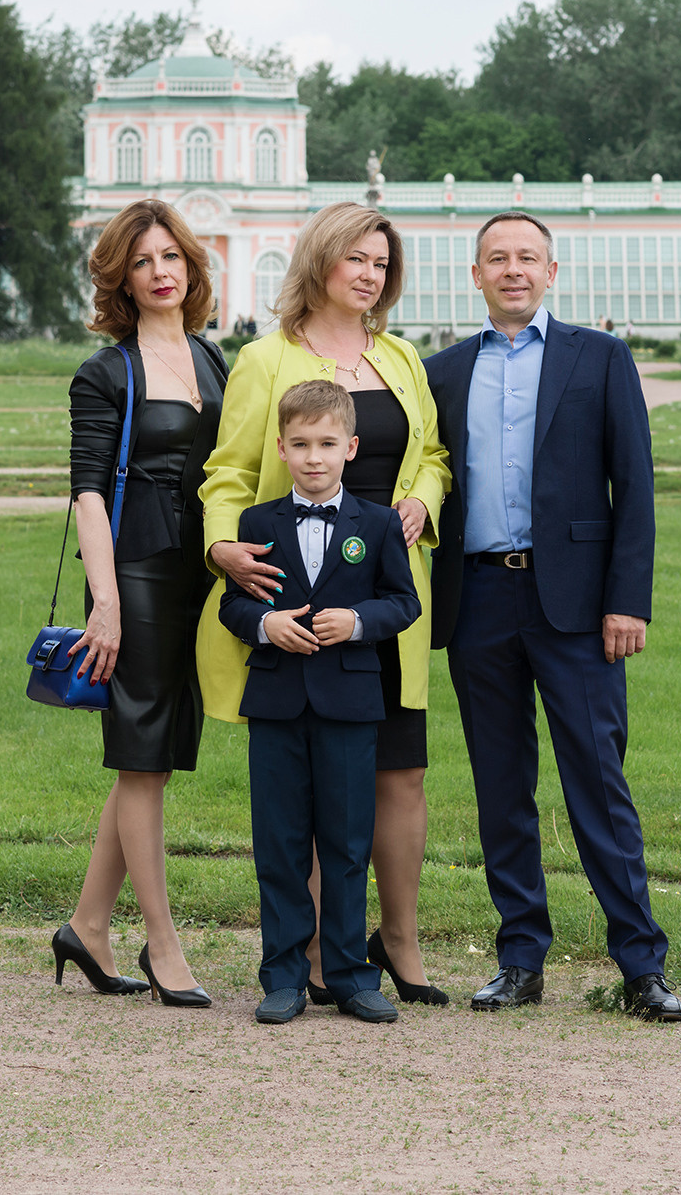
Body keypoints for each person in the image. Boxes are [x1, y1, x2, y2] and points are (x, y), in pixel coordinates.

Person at [423, 210, 681, 1022]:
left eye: (526, 257)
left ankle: (641, 964)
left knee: (598, 784)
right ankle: (520, 959)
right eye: (496, 258)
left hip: (576, 605)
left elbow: (633, 487)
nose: (512, 269)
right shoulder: (445, 372)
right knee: (502, 788)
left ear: (551, 270)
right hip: (479, 600)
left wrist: (626, 600)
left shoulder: (599, 358)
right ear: (475, 275)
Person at [198, 201, 454, 1005]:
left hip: (384, 594)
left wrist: (422, 498)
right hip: (298, 595)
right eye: (356, 257)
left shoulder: (403, 357)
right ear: (319, 261)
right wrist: (221, 546)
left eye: (382, 261)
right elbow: (228, 474)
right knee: (306, 785)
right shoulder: (265, 358)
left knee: (400, 773)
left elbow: (435, 453)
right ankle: (306, 956)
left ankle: (400, 944)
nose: (371, 272)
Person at [52, 199, 228, 1009]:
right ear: (121, 277)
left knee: (145, 756)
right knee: (143, 758)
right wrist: (107, 603)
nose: (162, 271)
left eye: (173, 257)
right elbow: (88, 493)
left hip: (202, 572)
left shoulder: (212, 357)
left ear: (190, 266)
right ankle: (162, 944)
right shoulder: (106, 371)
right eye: (144, 260)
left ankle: (88, 925)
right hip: (140, 573)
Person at [219, 381, 422, 1024]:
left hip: (350, 705)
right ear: (280, 449)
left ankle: (350, 974)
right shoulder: (257, 525)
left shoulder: (380, 522)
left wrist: (358, 621)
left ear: (351, 448)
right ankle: (282, 975)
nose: (313, 457)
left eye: (327, 444)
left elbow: (404, 601)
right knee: (279, 843)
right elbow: (232, 603)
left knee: (345, 842)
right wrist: (263, 623)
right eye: (301, 445)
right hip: (277, 703)